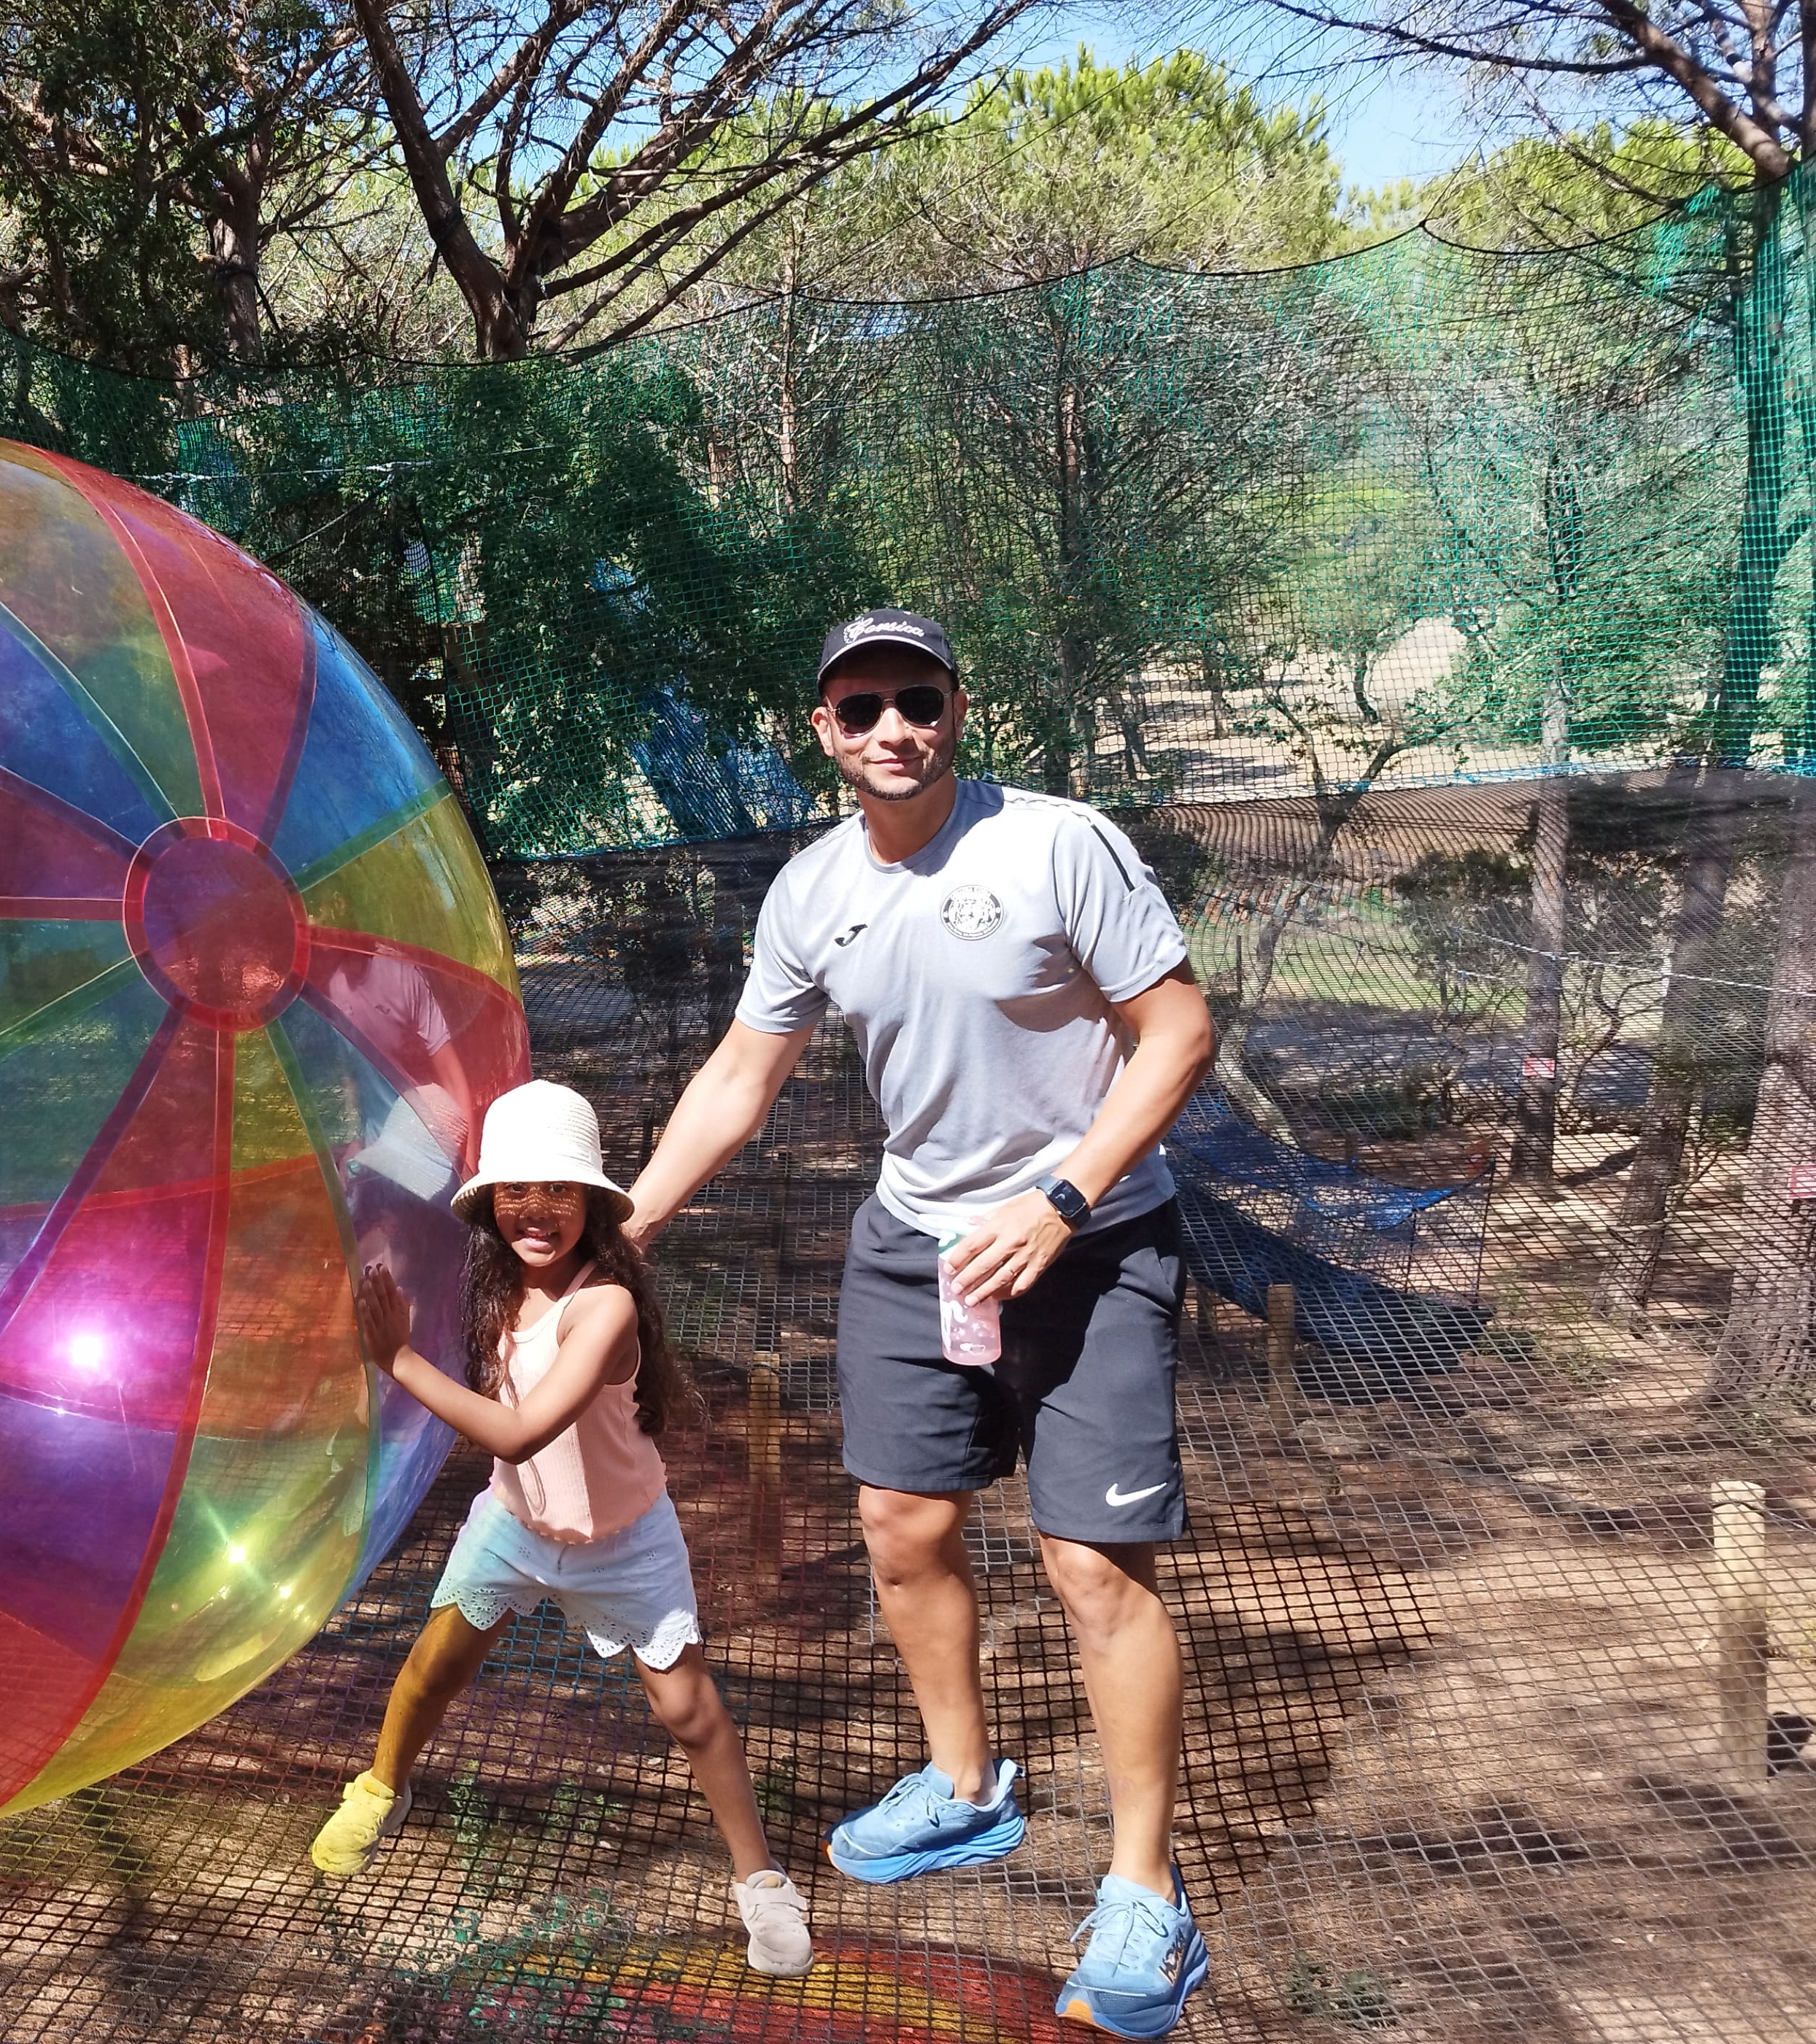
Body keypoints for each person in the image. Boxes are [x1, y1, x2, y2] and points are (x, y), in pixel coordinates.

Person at [622, 611, 1218, 2039]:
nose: (890, 726)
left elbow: (1178, 1030)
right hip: (915, 1247)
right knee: (898, 1521)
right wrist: (619, 1225)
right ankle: (961, 1790)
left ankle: (1145, 1895)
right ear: (821, 735)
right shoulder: (812, 892)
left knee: (1089, 1564)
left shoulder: (1056, 845)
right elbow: (734, 1082)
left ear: (955, 708)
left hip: (1090, 1237)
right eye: (858, 707)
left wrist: (1065, 1199)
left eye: (913, 698)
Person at [309, 1079, 815, 1979]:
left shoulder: (604, 1304)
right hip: (513, 1521)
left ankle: (762, 1881)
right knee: (433, 1665)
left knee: (688, 1710)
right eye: (515, 1191)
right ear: (488, 1201)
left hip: (624, 1539)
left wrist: (395, 1360)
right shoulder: (491, 1278)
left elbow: (518, 1430)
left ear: (591, 1201)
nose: (536, 1211)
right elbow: (387, 1224)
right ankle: (380, 1785)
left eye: (558, 1191)